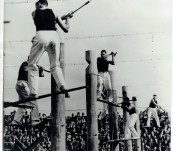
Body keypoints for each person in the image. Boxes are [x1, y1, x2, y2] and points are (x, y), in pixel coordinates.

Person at [28, 0, 72, 99]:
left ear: (39, 4)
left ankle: (34, 92)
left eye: (36, 6)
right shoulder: (55, 14)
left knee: (32, 64)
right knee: (55, 65)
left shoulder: (34, 13)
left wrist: (61, 17)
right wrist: (67, 18)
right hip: (54, 36)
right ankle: (62, 85)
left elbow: (43, 19)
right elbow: (66, 29)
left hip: (41, 35)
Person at [10, 57, 44, 126]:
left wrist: (39, 70)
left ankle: (15, 121)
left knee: (23, 105)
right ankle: (35, 120)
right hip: (23, 85)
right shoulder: (25, 63)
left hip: (21, 86)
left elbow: (38, 74)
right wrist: (38, 69)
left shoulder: (29, 65)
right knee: (33, 101)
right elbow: (27, 70)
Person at [97, 50, 115, 119]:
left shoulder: (106, 60)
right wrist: (110, 53)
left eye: (104, 54)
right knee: (99, 83)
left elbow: (113, 63)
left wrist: (113, 55)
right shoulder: (99, 58)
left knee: (109, 87)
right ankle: (98, 95)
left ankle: (110, 98)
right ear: (101, 54)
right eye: (102, 54)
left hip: (106, 74)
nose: (103, 55)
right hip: (100, 73)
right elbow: (104, 57)